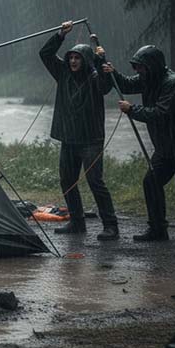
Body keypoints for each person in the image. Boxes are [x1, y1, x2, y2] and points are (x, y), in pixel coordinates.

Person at [101, 46, 175, 248]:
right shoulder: (149, 78)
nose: (138, 71)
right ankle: (158, 229)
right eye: (136, 67)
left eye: (141, 67)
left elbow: (160, 114)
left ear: (152, 66)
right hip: (167, 145)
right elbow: (127, 84)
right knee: (151, 182)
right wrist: (113, 73)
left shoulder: (173, 84)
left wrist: (132, 110)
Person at [40, 21, 118, 240]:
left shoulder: (95, 78)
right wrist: (60, 34)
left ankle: (111, 226)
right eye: (71, 57)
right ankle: (77, 222)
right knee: (67, 180)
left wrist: (101, 58)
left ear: (86, 61)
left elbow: (106, 86)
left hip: (91, 139)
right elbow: (45, 53)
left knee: (95, 181)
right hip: (69, 139)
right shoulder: (62, 73)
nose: (73, 61)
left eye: (78, 58)